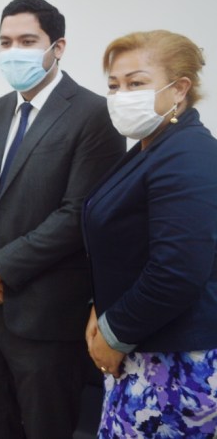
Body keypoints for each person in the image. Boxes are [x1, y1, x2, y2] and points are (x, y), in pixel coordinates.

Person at [0, 0, 124, 438]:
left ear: (58, 47)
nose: (15, 51)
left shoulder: (94, 114)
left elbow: (78, 214)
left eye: (28, 41)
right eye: (5, 42)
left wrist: (1, 267)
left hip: (45, 313)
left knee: (46, 427)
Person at [84, 30, 217, 438]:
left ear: (180, 89)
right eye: (114, 86)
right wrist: (99, 308)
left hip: (173, 361)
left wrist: (112, 334)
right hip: (141, 348)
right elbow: (125, 248)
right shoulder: (149, 148)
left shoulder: (189, 153)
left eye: (136, 83)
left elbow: (176, 271)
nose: (121, 96)